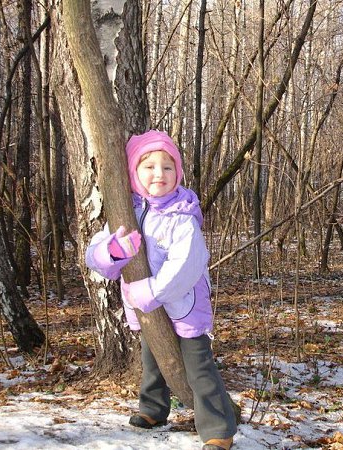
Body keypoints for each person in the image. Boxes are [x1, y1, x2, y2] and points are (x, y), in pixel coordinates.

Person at [85, 130, 237, 450]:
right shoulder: (125, 211)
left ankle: (218, 428)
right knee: (152, 356)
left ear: (178, 173)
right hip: (147, 305)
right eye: (149, 166)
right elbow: (95, 256)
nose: (159, 174)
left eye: (168, 167)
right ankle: (153, 409)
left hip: (183, 303)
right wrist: (113, 251)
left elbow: (187, 264)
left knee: (198, 366)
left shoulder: (182, 214)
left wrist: (152, 290)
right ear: (133, 172)